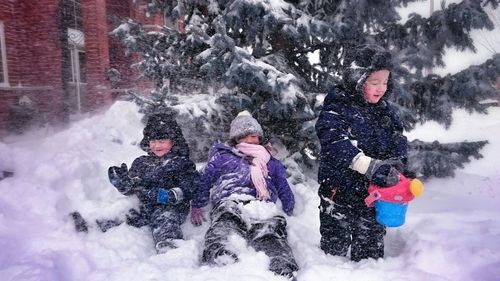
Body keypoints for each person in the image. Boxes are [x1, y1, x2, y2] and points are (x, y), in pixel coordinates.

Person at [315, 44, 409, 261]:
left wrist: (398, 164)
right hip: (338, 193)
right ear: (357, 79)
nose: (381, 88)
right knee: (332, 256)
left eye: (385, 82)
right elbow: (333, 140)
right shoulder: (338, 105)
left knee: (370, 256)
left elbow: (397, 139)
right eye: (374, 82)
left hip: (372, 196)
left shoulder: (385, 112)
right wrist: (367, 165)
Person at [190, 111, 299, 278]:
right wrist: (198, 202)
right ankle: (220, 251)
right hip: (230, 201)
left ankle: (279, 261)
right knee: (225, 223)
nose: (249, 139)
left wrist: (289, 206)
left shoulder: (270, 161)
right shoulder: (223, 157)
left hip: (261, 204)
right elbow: (205, 179)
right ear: (236, 139)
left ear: (260, 138)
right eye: (244, 136)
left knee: (269, 230)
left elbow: (282, 184)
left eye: (253, 135)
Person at [107, 113, 199, 253]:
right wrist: (124, 184)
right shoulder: (141, 162)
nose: (157, 145)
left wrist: (167, 195)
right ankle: (93, 226)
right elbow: (134, 185)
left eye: (162, 141)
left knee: (165, 219)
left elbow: (189, 186)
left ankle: (169, 244)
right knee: (123, 210)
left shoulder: (181, 163)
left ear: (173, 141)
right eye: (153, 141)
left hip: (170, 207)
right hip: (144, 206)